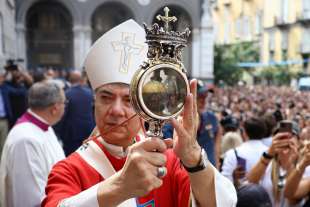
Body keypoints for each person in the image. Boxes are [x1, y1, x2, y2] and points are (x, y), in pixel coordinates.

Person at [42, 19, 236, 207]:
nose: (116, 110)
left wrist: (193, 157)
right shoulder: (70, 169)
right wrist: (120, 187)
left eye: (129, 100)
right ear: (94, 103)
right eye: (106, 97)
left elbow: (224, 203)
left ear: (145, 107)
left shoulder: (167, 160)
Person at [0, 81, 66, 207]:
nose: (65, 107)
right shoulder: (25, 141)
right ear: (55, 108)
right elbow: (30, 199)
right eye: (64, 103)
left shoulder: (44, 126)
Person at [246, 121, 306, 206]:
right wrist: (269, 154)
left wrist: (291, 164)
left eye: (291, 136)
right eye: (281, 136)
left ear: (299, 142)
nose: (286, 140)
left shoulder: (305, 166)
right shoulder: (266, 162)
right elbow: (250, 182)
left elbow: (293, 197)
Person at [163, 80, 220, 167]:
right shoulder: (173, 125)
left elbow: (217, 142)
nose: (203, 101)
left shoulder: (211, 118)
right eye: (199, 97)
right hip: (187, 176)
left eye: (205, 96)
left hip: (211, 173)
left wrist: (217, 166)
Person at [54, 70, 95, 156]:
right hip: (88, 131)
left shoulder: (66, 94)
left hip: (71, 134)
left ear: (69, 80)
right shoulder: (89, 93)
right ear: (80, 80)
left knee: (72, 157)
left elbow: (63, 115)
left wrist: (58, 131)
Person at [221, 117, 268, 188]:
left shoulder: (232, 153)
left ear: (244, 133)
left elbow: (225, 183)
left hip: (240, 197)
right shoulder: (271, 153)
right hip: (267, 197)